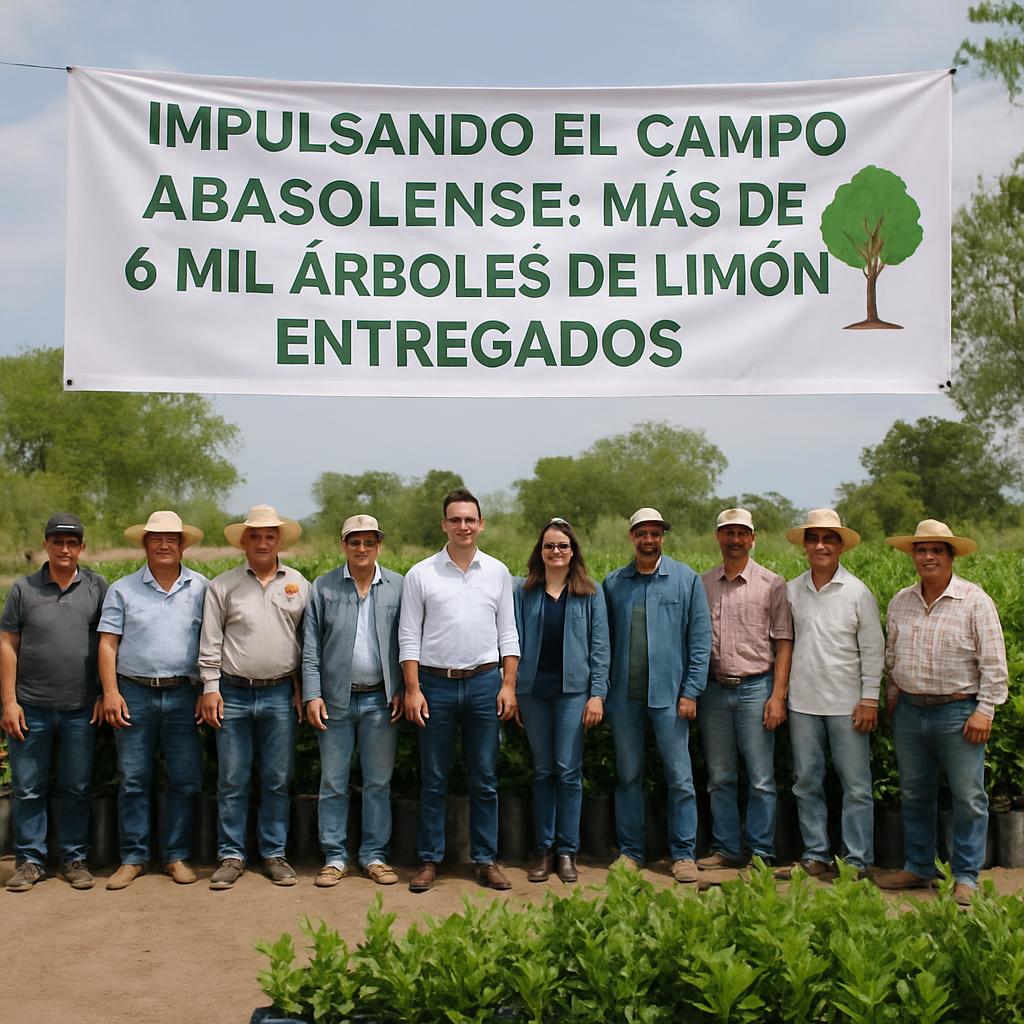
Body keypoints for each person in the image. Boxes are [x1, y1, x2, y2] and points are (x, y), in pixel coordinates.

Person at [877, 519, 1008, 906]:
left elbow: (995, 664)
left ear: (951, 556)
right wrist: (892, 694)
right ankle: (918, 866)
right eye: (921, 550)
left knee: (969, 796)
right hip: (910, 711)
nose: (928, 556)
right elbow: (892, 656)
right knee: (915, 793)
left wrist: (985, 710)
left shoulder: (975, 601)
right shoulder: (901, 600)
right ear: (913, 556)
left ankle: (966, 875)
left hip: (959, 711)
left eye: (937, 550)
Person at [400, 488, 520, 893]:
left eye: (470, 519)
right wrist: (413, 690)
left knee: (485, 776)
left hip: (486, 683)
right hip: (435, 685)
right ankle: (430, 859)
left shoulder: (498, 572)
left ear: (481, 524)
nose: (463, 526)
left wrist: (508, 684)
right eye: (456, 519)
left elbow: (509, 633)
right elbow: (409, 638)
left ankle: (486, 860)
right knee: (433, 778)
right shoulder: (422, 574)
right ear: (444, 525)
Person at [199, 505, 309, 890]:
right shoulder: (222, 586)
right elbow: (211, 641)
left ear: (279, 540)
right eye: (255, 536)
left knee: (277, 778)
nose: (262, 542)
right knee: (232, 778)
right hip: (233, 693)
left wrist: (301, 689)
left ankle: (274, 853)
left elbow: (303, 643)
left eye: (269, 536)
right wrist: (210, 688)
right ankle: (231, 854)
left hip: (280, 693)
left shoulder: (298, 584)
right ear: (244, 541)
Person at [98, 510, 208, 890]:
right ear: (145, 544)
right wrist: (110, 692)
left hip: (182, 694)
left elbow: (212, 645)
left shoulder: (202, 588)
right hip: (134, 693)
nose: (164, 544)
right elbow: (108, 645)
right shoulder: (122, 589)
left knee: (184, 778)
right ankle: (133, 857)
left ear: (182, 545)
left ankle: (175, 856)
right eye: (156, 538)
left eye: (172, 539)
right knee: (133, 779)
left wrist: (206, 689)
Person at [602, 507, 712, 883]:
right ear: (631, 537)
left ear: (662, 537)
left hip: (670, 698)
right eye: (642, 533)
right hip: (624, 700)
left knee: (680, 778)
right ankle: (631, 852)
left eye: (655, 533)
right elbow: (604, 643)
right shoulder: (614, 583)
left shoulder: (686, 580)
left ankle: (683, 854)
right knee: (628, 775)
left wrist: (691, 691)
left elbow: (700, 641)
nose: (649, 540)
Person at [1, 513, 108, 892]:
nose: (65, 549)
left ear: (82, 547)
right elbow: (8, 644)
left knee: (76, 787)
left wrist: (102, 693)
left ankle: (73, 858)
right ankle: (30, 861)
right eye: (58, 542)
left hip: (81, 709)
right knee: (28, 788)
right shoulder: (23, 589)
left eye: (72, 543)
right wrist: (9, 702)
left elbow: (108, 644)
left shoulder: (97, 587)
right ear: (46, 544)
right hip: (31, 709)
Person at [776, 508, 883, 881]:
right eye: (813, 539)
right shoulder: (791, 590)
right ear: (805, 546)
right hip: (803, 704)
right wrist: (781, 696)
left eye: (828, 539)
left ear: (840, 547)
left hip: (848, 706)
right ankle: (815, 854)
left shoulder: (857, 593)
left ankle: (855, 860)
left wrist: (870, 698)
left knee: (855, 786)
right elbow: (784, 646)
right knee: (806, 781)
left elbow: (873, 649)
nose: (820, 545)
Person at [302, 514, 404, 887]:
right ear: (343, 545)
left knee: (378, 782)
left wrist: (405, 689)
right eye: (355, 542)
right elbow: (310, 648)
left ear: (379, 546)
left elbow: (409, 643)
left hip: (381, 699)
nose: (362, 549)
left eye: (369, 542)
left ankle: (375, 855)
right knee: (333, 782)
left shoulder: (398, 586)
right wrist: (312, 694)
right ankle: (334, 855)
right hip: (336, 702)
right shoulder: (324, 587)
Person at [515, 517, 609, 884]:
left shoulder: (590, 592)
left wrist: (597, 694)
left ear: (573, 552)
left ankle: (568, 850)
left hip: (574, 694)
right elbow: (512, 642)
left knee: (568, 772)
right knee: (542, 771)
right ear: (540, 552)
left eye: (562, 546)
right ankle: (543, 849)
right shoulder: (524, 591)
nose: (556, 551)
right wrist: (513, 688)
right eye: (549, 546)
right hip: (534, 694)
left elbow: (601, 648)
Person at [697, 508, 792, 870]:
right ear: (718, 537)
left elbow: (784, 641)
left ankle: (761, 852)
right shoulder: (702, 583)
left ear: (753, 538)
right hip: (714, 691)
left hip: (756, 689)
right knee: (720, 777)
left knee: (761, 778)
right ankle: (725, 848)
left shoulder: (772, 584)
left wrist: (777, 696)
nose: (734, 539)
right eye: (727, 533)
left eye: (741, 533)